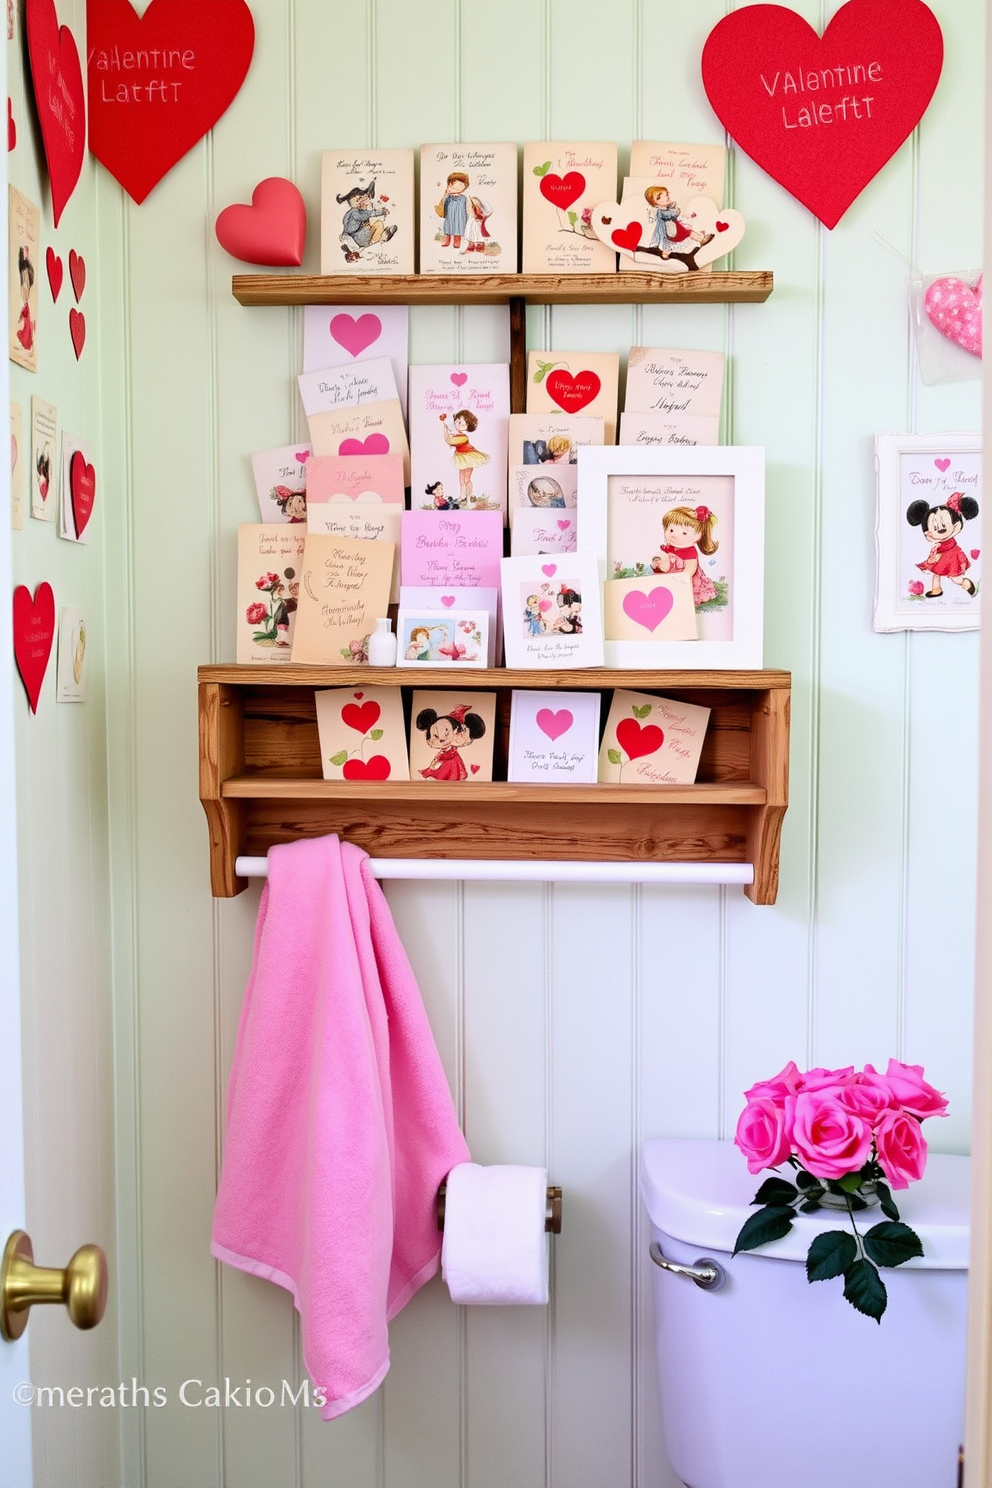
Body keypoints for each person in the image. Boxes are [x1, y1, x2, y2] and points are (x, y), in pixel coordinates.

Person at [906, 491, 979, 597]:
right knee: (936, 574)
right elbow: (938, 552)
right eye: (935, 528)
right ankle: (936, 589)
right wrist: (934, 555)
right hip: (943, 558)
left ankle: (966, 583)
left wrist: (937, 555)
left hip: (953, 557)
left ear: (956, 525)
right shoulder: (937, 544)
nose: (941, 530)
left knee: (955, 578)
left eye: (944, 525)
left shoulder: (949, 543)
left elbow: (948, 548)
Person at [654, 504, 720, 606]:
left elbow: (689, 571)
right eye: (671, 530)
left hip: (688, 582)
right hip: (673, 578)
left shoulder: (690, 553)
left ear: (699, 535)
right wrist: (659, 564)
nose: (674, 535)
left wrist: (675, 579)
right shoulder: (671, 548)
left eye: (684, 533)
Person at [640, 185, 712, 270]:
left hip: (673, 229)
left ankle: (667, 253)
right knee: (687, 234)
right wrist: (674, 208)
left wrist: (670, 206)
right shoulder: (659, 211)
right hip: (671, 232)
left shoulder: (663, 209)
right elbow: (672, 214)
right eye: (661, 196)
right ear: (656, 202)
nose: (667, 196)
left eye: (667, 194)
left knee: (683, 235)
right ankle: (700, 239)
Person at [415, 703, 486, 780]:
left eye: (446, 733)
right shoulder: (444, 752)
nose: (441, 737)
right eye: (435, 735)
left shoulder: (453, 760)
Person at [336, 181, 396, 263]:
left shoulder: (358, 210)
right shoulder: (354, 212)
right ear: (351, 202)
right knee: (374, 221)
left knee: (378, 224)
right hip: (356, 239)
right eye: (358, 200)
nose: (360, 202)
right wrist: (380, 211)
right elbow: (364, 215)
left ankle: (377, 241)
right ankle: (382, 239)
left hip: (363, 237)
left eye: (361, 199)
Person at [440, 408, 489, 502]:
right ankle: (462, 496)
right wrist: (445, 424)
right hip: (461, 456)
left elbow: (449, 440)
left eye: (461, 423)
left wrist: (444, 426)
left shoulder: (463, 437)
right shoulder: (457, 433)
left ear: (467, 427)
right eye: (457, 421)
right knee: (461, 478)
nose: (458, 424)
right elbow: (449, 438)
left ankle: (469, 496)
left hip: (468, 456)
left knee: (467, 479)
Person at [435, 171, 469, 249]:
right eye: (454, 186)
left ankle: (457, 240)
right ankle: (447, 239)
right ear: (449, 185)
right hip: (449, 215)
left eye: (461, 185)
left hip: (460, 216)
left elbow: (467, 208)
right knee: (448, 226)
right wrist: (445, 195)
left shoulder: (464, 198)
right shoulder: (448, 197)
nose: (458, 187)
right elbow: (442, 206)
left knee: (459, 226)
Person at [16, 245, 34, 352]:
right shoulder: (25, 306)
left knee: (26, 337)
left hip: (27, 328)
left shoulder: (26, 307)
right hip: (26, 328)